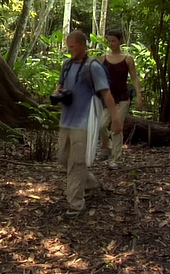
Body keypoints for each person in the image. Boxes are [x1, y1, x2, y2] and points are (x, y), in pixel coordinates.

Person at [53, 29, 121, 219]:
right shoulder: (66, 65)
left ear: (83, 45)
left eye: (73, 47)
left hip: (83, 123)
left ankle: (76, 204)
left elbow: (106, 93)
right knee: (63, 158)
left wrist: (115, 119)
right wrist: (58, 94)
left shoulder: (93, 66)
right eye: (69, 47)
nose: (71, 50)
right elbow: (60, 85)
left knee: (76, 163)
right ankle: (91, 183)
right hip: (66, 120)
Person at [98, 29, 144, 170]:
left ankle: (115, 158)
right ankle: (106, 147)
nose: (111, 44)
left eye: (113, 40)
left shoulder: (128, 59)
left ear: (120, 41)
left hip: (123, 97)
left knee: (116, 128)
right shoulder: (103, 58)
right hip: (107, 97)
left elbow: (134, 78)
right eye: (109, 41)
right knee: (101, 125)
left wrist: (139, 96)